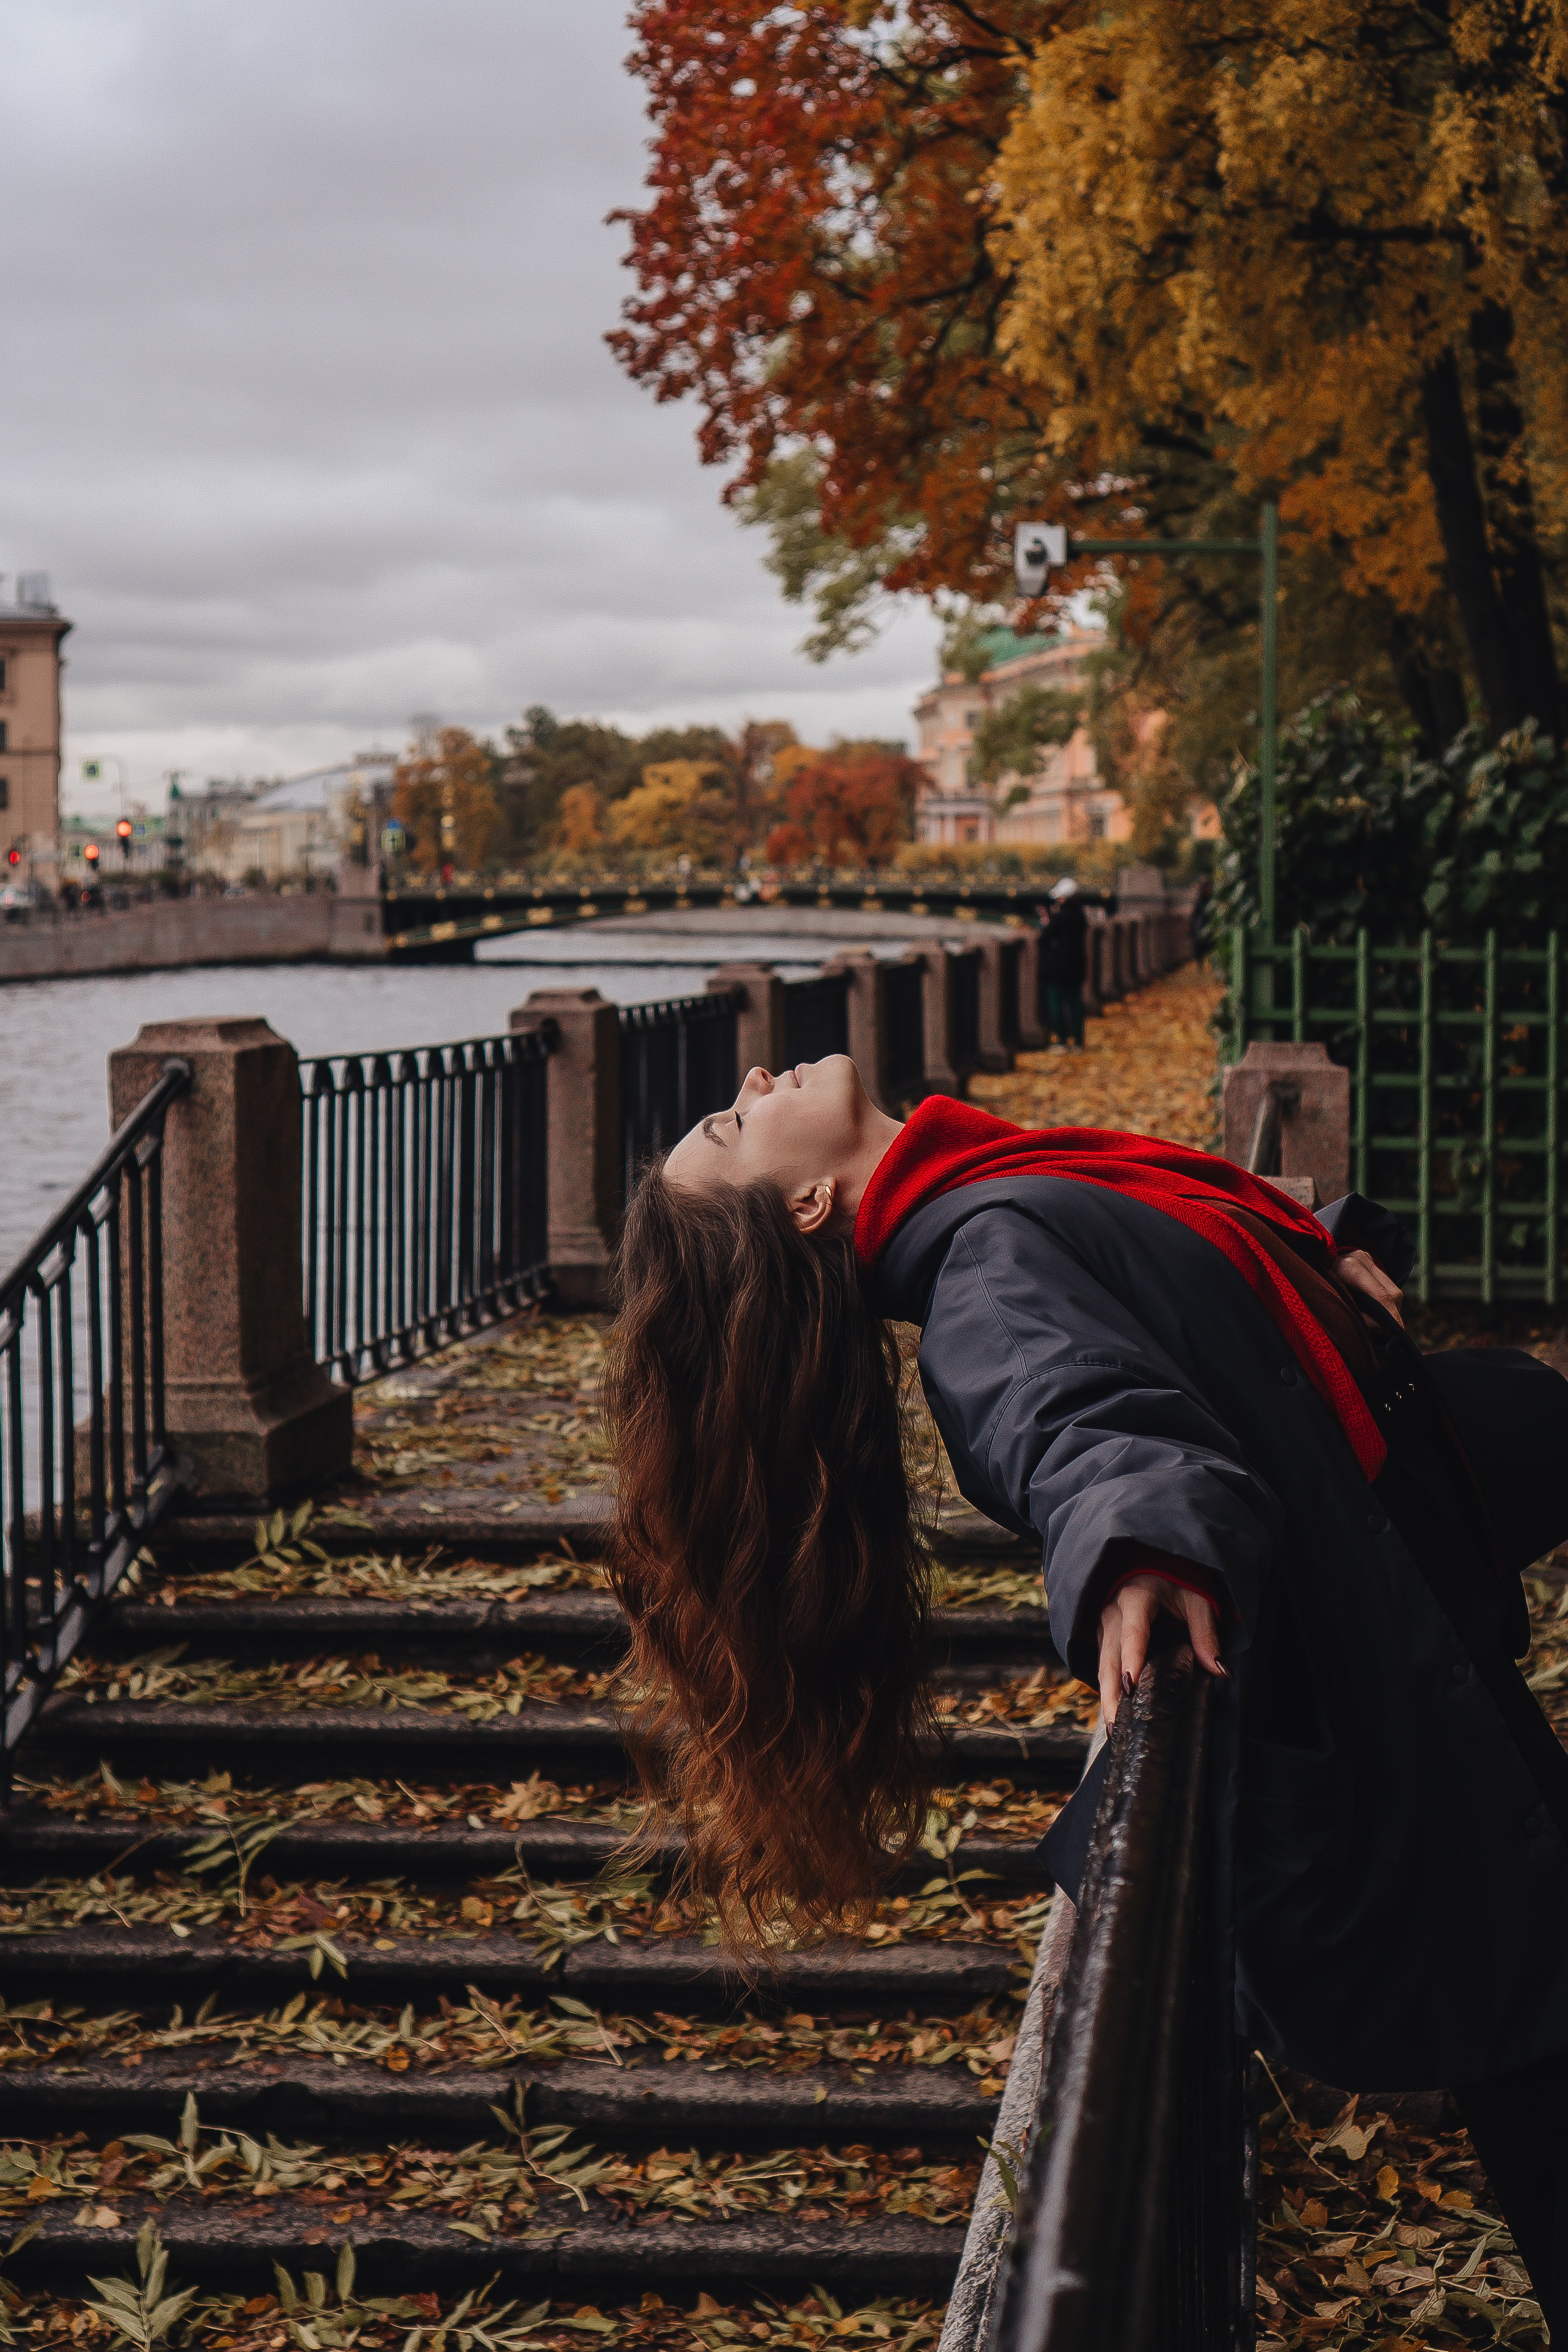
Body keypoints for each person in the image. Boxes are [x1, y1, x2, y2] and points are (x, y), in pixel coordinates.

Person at [608, 1054, 1568, 2331]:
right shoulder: (976, 1270)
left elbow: (1152, 1301)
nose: (750, 1075)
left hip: (1427, 1671)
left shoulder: (983, 1197)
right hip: (1411, 1742)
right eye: (735, 1121)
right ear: (801, 1210)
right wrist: (1134, 1536)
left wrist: (1302, 1258)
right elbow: (1068, 1409)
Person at [1036, 875, 1118, 1049]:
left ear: (1063, 898)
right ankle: (1079, 1041)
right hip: (1076, 967)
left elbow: (1044, 938)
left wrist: (1046, 922)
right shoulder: (1080, 918)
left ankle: (1061, 1040)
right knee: (1075, 1004)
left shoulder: (1059, 918)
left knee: (1056, 1005)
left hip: (1056, 968)